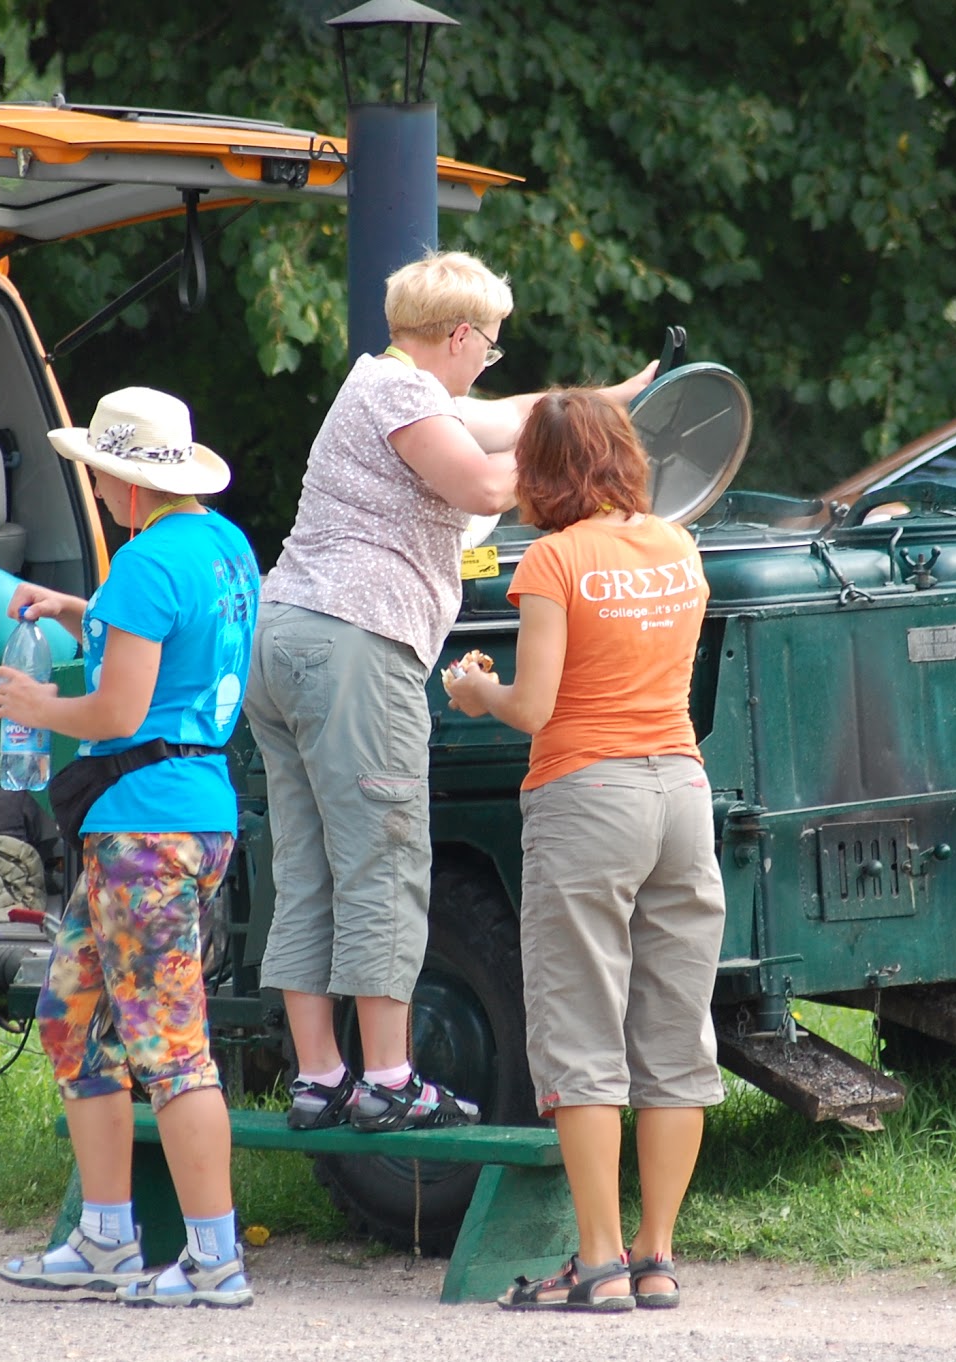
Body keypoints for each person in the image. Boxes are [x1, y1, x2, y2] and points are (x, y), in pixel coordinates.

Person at [244, 250, 656, 1132]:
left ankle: (321, 1077)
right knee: (385, 858)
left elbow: (503, 416)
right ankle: (389, 1079)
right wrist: (579, 453)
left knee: (310, 864)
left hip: (291, 637)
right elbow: (486, 480)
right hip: (357, 642)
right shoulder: (399, 397)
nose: (490, 360)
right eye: (491, 344)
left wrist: (601, 402)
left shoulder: (388, 384)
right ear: (460, 334)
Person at [443, 390, 725, 1313]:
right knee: (675, 1033)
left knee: (582, 1027)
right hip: (681, 792)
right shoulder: (679, 547)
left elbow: (536, 708)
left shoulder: (555, 561)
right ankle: (657, 1256)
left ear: (543, 472)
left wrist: (476, 689)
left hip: (588, 795)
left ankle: (597, 1261)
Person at [0, 387, 261, 1308]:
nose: (97, 490)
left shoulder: (146, 560)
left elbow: (117, 711)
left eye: (98, 475)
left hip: (144, 825)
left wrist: (35, 709)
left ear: (122, 476)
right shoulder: (223, 547)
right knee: (71, 1019)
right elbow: (166, 650)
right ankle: (105, 1238)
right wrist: (81, 611)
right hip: (193, 809)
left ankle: (215, 1260)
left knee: (170, 1045)